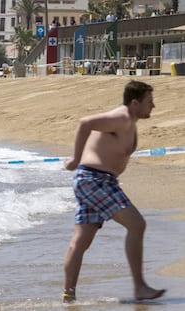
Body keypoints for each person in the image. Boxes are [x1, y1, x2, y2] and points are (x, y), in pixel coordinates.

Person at [62, 80, 166, 303]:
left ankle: (68, 296)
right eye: (150, 101)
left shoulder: (129, 121)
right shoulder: (121, 117)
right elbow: (85, 122)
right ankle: (139, 287)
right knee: (137, 224)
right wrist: (75, 159)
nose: (153, 106)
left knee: (81, 241)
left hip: (97, 181)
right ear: (135, 102)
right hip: (94, 180)